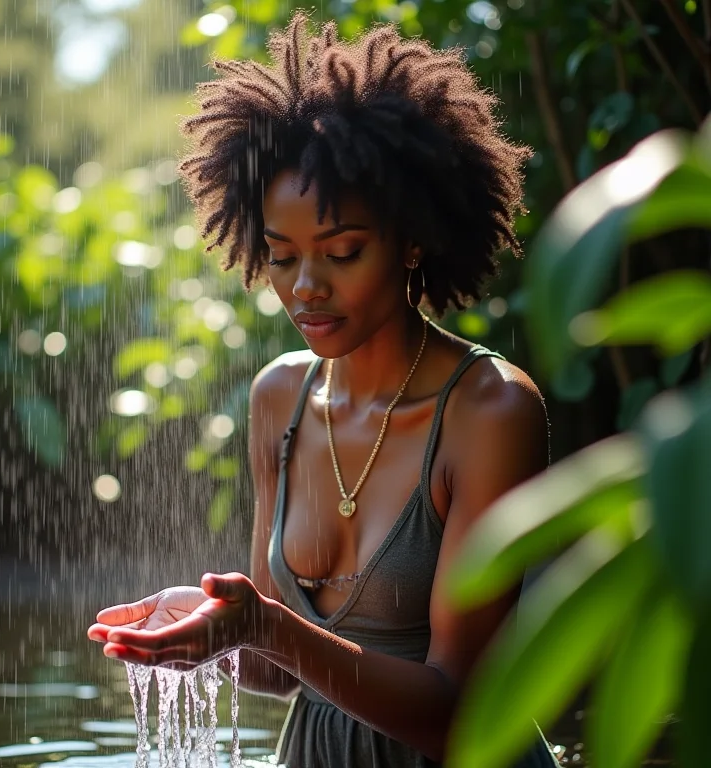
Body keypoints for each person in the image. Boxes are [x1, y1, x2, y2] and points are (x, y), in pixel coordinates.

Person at [88, 13, 560, 768]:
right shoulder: (279, 399)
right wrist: (215, 625)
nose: (306, 287)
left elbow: (459, 714)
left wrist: (266, 626)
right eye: (281, 256)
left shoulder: (491, 411)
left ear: (411, 240)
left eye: (342, 251)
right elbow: (279, 673)